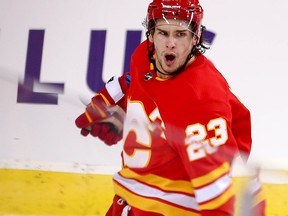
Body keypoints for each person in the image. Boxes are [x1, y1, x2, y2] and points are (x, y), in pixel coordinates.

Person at [75, 0, 266, 215]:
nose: (170, 43)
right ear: (150, 35)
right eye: (163, 33)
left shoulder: (201, 98)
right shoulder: (145, 57)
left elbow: (221, 189)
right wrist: (110, 104)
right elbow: (135, 81)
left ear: (195, 38)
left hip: (176, 207)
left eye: (180, 34)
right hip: (131, 197)